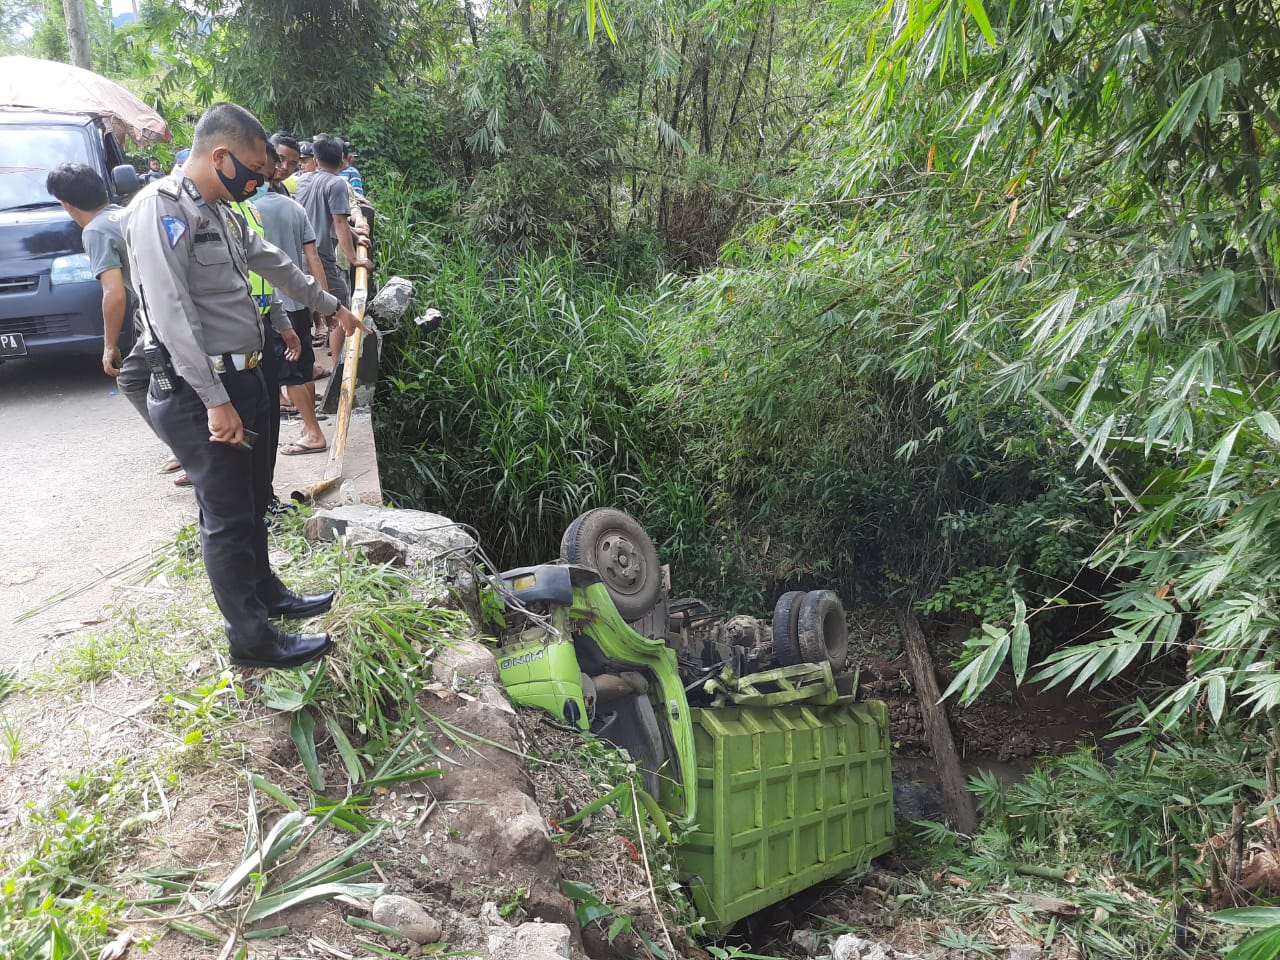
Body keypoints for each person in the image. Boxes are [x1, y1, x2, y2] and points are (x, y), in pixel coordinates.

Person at [123, 101, 367, 669]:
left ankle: (267, 594)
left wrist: (331, 306)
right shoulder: (159, 212)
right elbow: (170, 313)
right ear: (221, 156)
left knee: (256, 500)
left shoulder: (225, 212)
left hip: (248, 375)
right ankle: (252, 639)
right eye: (258, 168)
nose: (265, 178)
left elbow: (275, 263)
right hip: (202, 391)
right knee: (228, 517)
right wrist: (214, 401)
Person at [44, 162, 186, 483]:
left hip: (160, 317)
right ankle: (189, 445)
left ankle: (187, 450)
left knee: (132, 379)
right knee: (165, 381)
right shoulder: (123, 213)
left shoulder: (94, 230)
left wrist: (109, 346)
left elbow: (113, 294)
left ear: (66, 204)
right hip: (170, 309)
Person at [254, 144, 330, 455]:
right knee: (304, 366)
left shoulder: (249, 212)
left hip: (272, 305)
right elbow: (313, 258)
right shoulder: (296, 209)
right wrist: (323, 304)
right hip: (299, 300)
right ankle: (309, 427)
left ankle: (312, 432)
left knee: (288, 373)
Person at [295, 134, 372, 365]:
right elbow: (338, 221)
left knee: (304, 313)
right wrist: (353, 258)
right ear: (342, 161)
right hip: (321, 256)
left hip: (299, 253)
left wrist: (356, 234)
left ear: (315, 160)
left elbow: (326, 217)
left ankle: (308, 369)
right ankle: (340, 368)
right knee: (341, 309)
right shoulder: (337, 183)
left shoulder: (305, 180)